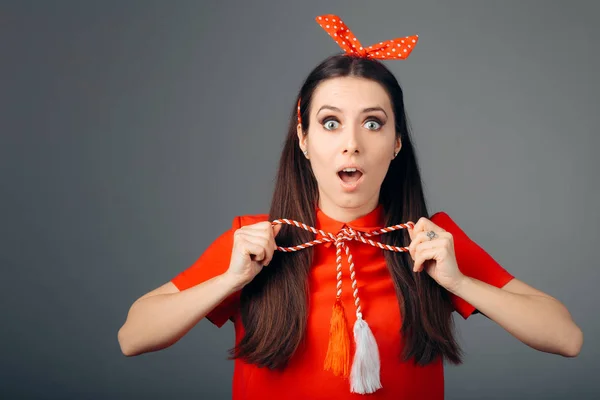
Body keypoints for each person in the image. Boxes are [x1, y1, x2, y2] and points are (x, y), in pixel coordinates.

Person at [117, 14, 583, 400]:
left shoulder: (430, 242)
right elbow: (132, 337)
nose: (351, 145)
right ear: (303, 139)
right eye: (331, 123)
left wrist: (458, 281)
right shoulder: (258, 241)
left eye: (373, 124)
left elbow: (567, 338)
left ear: (397, 143)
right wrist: (230, 279)